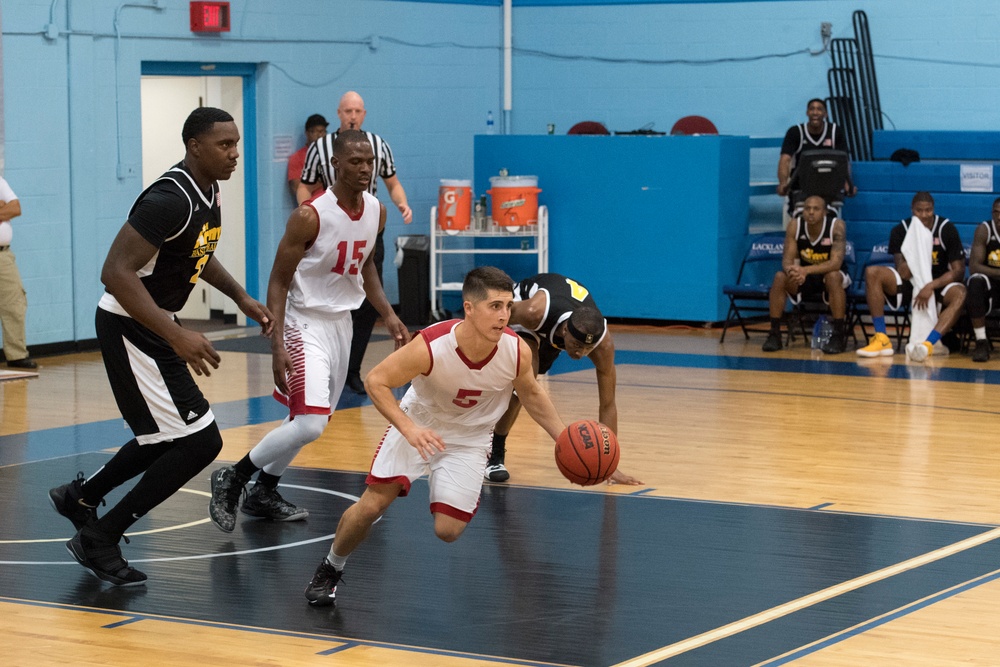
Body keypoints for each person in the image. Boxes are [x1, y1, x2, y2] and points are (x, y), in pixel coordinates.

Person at [47, 107, 273, 586]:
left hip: (153, 325)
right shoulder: (169, 199)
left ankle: (80, 497)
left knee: (165, 438)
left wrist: (241, 297)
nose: (235, 154)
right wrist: (176, 334)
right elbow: (114, 272)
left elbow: (197, 254)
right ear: (195, 146)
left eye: (236, 144)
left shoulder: (208, 191)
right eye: (224, 145)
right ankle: (99, 537)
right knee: (199, 442)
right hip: (131, 326)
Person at [303, 266, 568, 607]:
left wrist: (563, 438)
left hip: (470, 438)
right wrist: (408, 428)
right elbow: (375, 381)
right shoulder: (430, 345)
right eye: (494, 307)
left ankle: (445, 478)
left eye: (507, 306)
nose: (504, 316)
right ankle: (330, 567)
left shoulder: (516, 351)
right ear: (469, 308)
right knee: (373, 504)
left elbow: (531, 394)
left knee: (448, 531)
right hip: (420, 423)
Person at [207, 130, 409, 532]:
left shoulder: (376, 211)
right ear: (335, 165)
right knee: (311, 422)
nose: (365, 168)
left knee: (311, 419)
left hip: (342, 324)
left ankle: (264, 490)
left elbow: (365, 264)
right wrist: (276, 343)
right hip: (304, 321)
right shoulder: (309, 215)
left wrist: (387, 313)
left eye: (369, 161)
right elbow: (279, 281)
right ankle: (234, 476)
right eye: (355, 161)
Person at [298, 91, 412, 396]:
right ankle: (316, 360)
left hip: (366, 225)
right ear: (338, 113)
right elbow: (305, 185)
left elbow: (393, 182)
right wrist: (309, 214)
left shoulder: (379, 145)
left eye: (358, 110)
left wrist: (402, 203)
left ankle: (351, 369)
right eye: (347, 110)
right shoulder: (320, 148)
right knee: (327, 293)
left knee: (365, 301)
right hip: (328, 227)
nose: (352, 115)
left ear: (364, 114)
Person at [484, 273, 642, 486]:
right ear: (566, 330)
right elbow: (493, 318)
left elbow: (608, 403)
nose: (581, 354)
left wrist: (609, 464)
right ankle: (494, 455)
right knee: (522, 385)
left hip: (552, 333)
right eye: (577, 346)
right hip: (523, 317)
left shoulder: (602, 345)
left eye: (587, 348)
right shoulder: (533, 312)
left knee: (528, 381)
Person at [856, 191, 966, 361]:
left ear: (933, 209)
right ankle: (882, 338)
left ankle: (929, 344)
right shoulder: (901, 230)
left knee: (960, 292)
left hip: (937, 284)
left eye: (928, 210)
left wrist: (930, 286)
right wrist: (913, 256)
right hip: (911, 283)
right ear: (912, 210)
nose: (923, 215)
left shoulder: (946, 228)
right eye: (919, 211)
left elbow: (958, 271)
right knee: (872, 272)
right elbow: (902, 271)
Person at [761, 195, 850, 354]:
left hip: (831, 276)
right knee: (780, 277)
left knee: (833, 276)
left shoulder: (837, 226)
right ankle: (774, 333)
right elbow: (787, 261)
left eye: (816, 209)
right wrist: (793, 271)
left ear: (824, 212)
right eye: (807, 208)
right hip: (805, 276)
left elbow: (835, 264)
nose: (810, 212)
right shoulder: (795, 226)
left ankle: (838, 334)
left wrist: (805, 270)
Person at [776, 98, 856, 216]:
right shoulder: (795, 132)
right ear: (807, 113)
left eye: (819, 109)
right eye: (812, 109)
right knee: (800, 223)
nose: (815, 112)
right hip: (801, 188)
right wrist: (783, 183)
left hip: (829, 189)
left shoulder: (835, 131)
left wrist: (848, 185)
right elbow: (785, 159)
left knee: (832, 223)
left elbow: (844, 161)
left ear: (825, 114)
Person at [0, 175, 36, 369]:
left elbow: (15, 208)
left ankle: (16, 355)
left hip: (3, 256)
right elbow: (8, 210)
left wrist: (6, 208)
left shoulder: (0, 182)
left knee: (14, 303)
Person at [964, 197, 1000, 362]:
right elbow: (974, 267)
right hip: (991, 284)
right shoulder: (984, 230)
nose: (999, 217)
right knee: (975, 281)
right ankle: (981, 341)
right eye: (996, 213)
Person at [286, 114, 328, 201]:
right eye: (315, 131)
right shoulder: (297, 157)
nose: (319, 135)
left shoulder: (332, 154)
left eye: (322, 131)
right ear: (307, 133)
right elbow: (297, 188)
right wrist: (323, 178)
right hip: (312, 206)